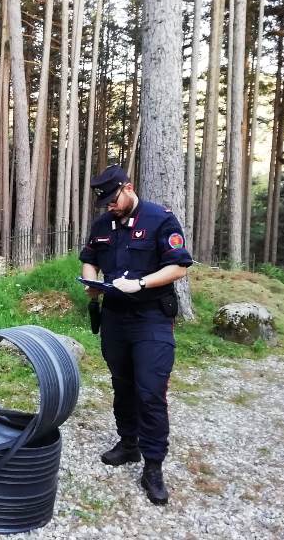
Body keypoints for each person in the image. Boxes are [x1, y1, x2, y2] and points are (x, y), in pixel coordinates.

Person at [79, 164, 192, 505]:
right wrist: (91, 284)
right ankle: (129, 445)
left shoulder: (161, 219)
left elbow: (180, 266)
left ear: (128, 188)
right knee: (122, 385)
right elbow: (89, 258)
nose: (109, 207)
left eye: (113, 200)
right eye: (105, 203)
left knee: (150, 392)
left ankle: (153, 466)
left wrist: (141, 283)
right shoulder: (102, 225)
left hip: (151, 318)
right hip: (114, 318)